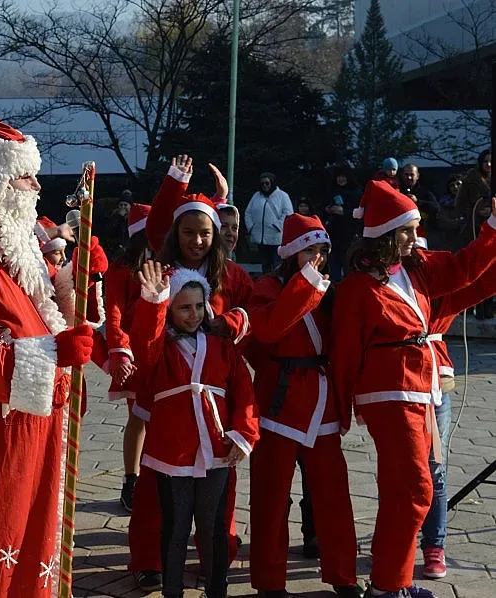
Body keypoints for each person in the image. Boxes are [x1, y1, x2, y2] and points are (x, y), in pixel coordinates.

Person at [0, 115, 94, 597]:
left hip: (33, 430)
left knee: (32, 553)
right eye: (26, 177)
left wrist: (76, 289)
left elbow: (42, 316)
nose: (36, 187)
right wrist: (52, 352)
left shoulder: (16, 247)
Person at [331, 180, 496, 598]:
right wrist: (340, 411)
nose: (414, 236)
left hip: (420, 391)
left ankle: (392, 583)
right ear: (385, 233)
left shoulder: (413, 271)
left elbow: (465, 268)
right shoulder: (357, 288)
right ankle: (390, 585)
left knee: (403, 490)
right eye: (406, 230)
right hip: (388, 396)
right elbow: (345, 353)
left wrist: (492, 228)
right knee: (416, 489)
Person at [130, 155, 250, 591]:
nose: (197, 241)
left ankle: (216, 560)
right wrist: (175, 181)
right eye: (188, 233)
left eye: (205, 233)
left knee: (217, 497)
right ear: (175, 234)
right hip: (165, 390)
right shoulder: (159, 272)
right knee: (159, 489)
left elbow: (255, 312)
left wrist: (233, 321)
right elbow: (142, 331)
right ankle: (151, 561)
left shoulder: (230, 274)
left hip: (216, 397)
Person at [247, 214, 360, 598]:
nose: (317, 259)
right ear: (292, 253)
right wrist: (306, 284)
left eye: (322, 251)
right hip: (278, 401)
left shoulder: (328, 289)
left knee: (333, 494)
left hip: (322, 401)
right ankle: (269, 582)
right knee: (271, 497)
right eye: (309, 250)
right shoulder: (267, 287)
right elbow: (267, 330)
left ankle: (344, 574)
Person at [418, 259, 496, 579]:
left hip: (435, 386)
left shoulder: (442, 295)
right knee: (397, 468)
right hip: (394, 388)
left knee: (435, 467)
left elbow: (481, 281)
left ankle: (434, 545)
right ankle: (395, 538)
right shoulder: (380, 284)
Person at [104, 203, 151, 511]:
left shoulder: (167, 263)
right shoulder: (121, 269)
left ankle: (156, 477)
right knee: (138, 416)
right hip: (135, 355)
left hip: (164, 351)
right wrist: (121, 350)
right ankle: (131, 480)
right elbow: (114, 312)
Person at [244, 171, 293, 274]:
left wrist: (278, 226)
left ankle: (276, 281)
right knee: (265, 264)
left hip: (276, 238)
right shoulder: (256, 196)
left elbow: (288, 214)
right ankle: (265, 281)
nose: (265, 186)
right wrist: (251, 227)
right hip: (260, 238)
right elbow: (248, 212)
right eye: (262, 184)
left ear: (272, 183)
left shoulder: (283, 196)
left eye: (267, 183)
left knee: (276, 264)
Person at [323, 168, 362, 282]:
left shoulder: (356, 192)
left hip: (350, 234)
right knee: (334, 267)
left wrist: (344, 212)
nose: (341, 179)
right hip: (333, 234)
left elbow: (361, 213)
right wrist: (328, 209)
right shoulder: (332, 190)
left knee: (349, 266)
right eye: (338, 177)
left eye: (343, 177)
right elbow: (323, 207)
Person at [456, 149, 491, 247]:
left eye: (491, 161)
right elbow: (460, 203)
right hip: (475, 226)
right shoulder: (471, 178)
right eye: (485, 161)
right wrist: (476, 212)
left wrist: (492, 210)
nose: (488, 164)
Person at [400, 164, 439, 233]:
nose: (409, 177)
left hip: (421, 230)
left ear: (417, 176)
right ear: (402, 175)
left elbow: (436, 207)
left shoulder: (425, 191)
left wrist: (418, 202)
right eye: (406, 174)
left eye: (412, 175)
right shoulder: (397, 191)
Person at [432, 174, 463, 251]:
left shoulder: (471, 201)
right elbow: (442, 222)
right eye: (452, 185)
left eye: (458, 184)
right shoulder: (444, 203)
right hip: (450, 241)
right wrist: (460, 222)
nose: (455, 187)